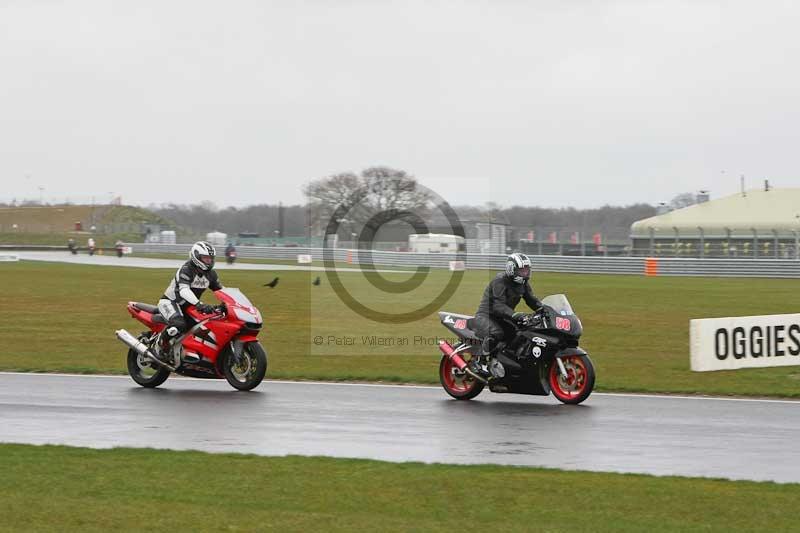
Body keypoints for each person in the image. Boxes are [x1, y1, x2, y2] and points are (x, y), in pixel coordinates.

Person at [470, 252, 543, 377]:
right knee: (496, 333)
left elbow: (532, 300)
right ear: (511, 269)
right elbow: (498, 306)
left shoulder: (523, 284)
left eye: (527, 270)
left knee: (521, 333)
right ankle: (479, 361)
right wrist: (516, 315)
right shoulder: (500, 281)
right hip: (486, 315)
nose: (525, 273)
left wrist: (544, 309)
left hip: (503, 317)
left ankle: (505, 363)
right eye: (522, 270)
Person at [154, 241, 223, 360]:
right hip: (171, 302)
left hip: (189, 307)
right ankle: (160, 345)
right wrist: (199, 304)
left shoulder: (211, 274)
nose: (209, 261)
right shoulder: (186, 269)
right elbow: (184, 290)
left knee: (204, 326)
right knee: (179, 324)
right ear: (196, 257)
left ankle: (186, 351)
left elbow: (221, 290)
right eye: (206, 258)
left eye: (211, 258)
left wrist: (227, 304)